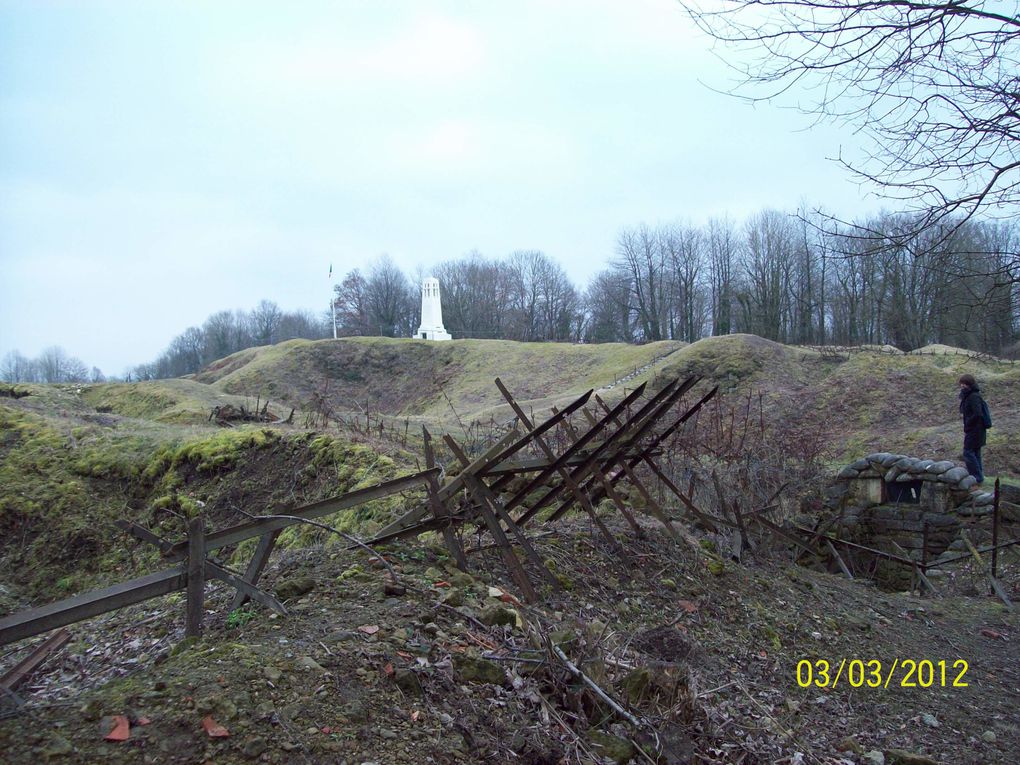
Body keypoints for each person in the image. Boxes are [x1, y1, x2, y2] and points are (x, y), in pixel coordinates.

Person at [958, 374, 987, 485]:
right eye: (961, 383)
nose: (962, 386)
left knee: (968, 452)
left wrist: (969, 424)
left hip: (975, 430)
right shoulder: (970, 395)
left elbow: (977, 413)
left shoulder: (973, 396)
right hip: (977, 429)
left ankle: (976, 477)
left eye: (964, 384)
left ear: (969, 384)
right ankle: (979, 477)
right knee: (975, 452)